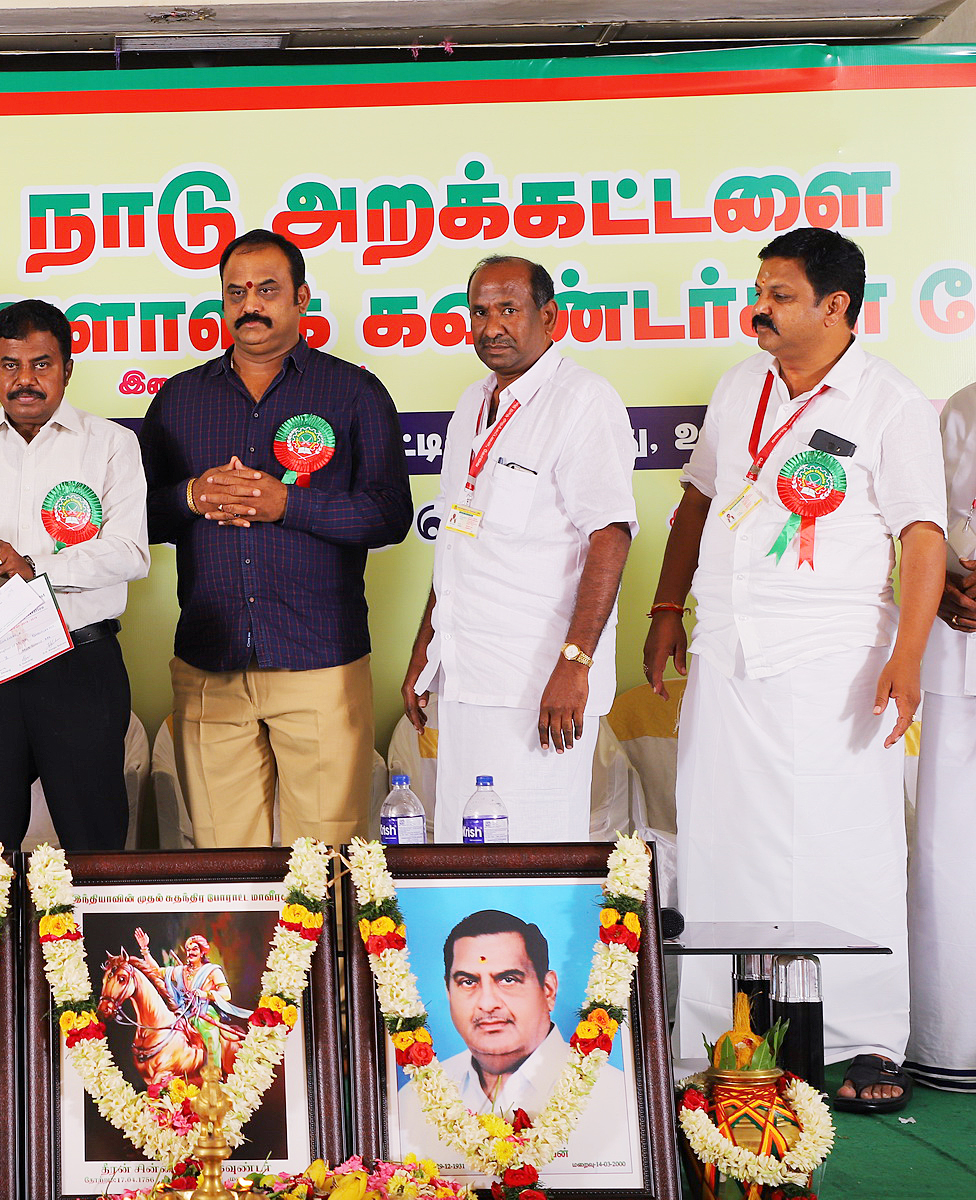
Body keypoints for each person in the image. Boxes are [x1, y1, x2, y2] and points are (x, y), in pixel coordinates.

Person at [644, 227, 943, 1113]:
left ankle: (863, 1042)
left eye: (779, 295)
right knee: (718, 839)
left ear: (835, 306)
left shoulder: (891, 402)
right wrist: (666, 609)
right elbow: (698, 500)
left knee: (845, 845)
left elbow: (922, 535)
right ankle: (719, 1037)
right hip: (729, 653)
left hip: (836, 663)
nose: (759, 309)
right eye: (760, 291)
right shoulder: (742, 384)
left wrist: (908, 656)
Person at [140, 229, 410, 848]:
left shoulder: (352, 391)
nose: (250, 306)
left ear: (301, 298)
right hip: (210, 664)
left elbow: (390, 514)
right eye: (236, 293)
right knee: (226, 865)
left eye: (267, 290)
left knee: (327, 861)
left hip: (320, 660)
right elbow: (137, 519)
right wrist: (191, 497)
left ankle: (321, 926)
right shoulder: (181, 398)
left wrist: (287, 504)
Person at [402, 257, 636, 841]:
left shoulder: (582, 400)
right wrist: (425, 649)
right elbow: (456, 544)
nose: (492, 327)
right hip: (466, 675)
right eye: (479, 312)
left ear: (549, 316)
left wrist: (575, 664)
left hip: (539, 687)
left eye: (509, 309)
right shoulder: (470, 404)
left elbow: (610, 536)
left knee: (532, 854)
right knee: (463, 849)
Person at [0, 299, 148, 851]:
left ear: (67, 368)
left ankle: (96, 917)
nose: (25, 380)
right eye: (10, 365)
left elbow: (130, 553)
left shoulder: (111, 444)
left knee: (95, 847)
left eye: (42, 364)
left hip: (79, 664)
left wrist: (32, 566)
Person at [394, 910, 628, 1167]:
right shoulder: (415, 1101)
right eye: (468, 982)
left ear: (548, 990)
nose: (487, 1003)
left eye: (508, 979)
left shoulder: (616, 1098)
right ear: (448, 992)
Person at [906, 379, 976, 1094]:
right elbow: (933, 523)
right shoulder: (963, 404)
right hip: (960, 654)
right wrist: (946, 590)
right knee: (950, 851)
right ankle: (951, 1044)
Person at [127, 928, 248, 1074]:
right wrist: (145, 950)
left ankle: (214, 1074)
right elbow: (156, 971)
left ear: (202, 952)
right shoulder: (181, 971)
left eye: (195, 949)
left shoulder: (212, 971)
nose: (190, 952)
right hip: (183, 1013)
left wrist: (205, 994)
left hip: (204, 1013)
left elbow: (226, 994)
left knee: (209, 1034)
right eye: (188, 949)